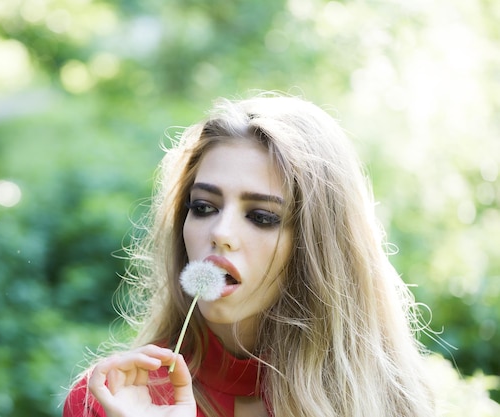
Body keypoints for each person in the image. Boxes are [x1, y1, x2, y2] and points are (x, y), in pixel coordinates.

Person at [63, 93, 435, 417]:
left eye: (261, 217)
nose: (221, 233)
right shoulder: (108, 402)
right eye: (204, 207)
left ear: (317, 248)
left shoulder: (387, 401)